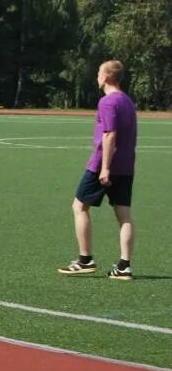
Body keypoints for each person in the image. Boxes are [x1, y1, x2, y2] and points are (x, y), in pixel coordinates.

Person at [58, 60, 138, 280]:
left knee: (79, 206)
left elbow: (109, 134)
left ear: (107, 77)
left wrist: (104, 168)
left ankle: (85, 259)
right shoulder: (128, 101)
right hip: (126, 165)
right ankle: (124, 266)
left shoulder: (107, 102)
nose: (97, 77)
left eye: (99, 73)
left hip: (104, 164)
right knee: (124, 216)